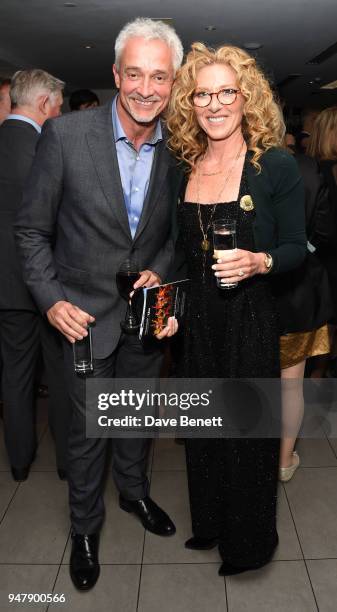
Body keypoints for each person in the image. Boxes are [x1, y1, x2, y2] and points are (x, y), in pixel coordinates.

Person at [15, 17, 183, 591]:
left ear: (173, 83)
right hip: (82, 322)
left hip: (144, 320)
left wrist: (161, 268)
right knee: (87, 435)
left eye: (158, 76)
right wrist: (51, 300)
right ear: (116, 74)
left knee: (136, 419)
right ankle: (85, 529)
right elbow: (31, 231)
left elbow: (170, 236)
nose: (145, 88)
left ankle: (135, 493)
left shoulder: (177, 151)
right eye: (133, 73)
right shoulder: (65, 137)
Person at [166, 42, 306, 576]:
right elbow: (183, 251)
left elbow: (297, 245)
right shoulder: (187, 163)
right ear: (191, 103)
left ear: (246, 98)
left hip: (249, 318)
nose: (215, 104)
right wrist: (170, 301)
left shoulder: (273, 164)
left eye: (227, 91)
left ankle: (248, 543)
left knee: (247, 435)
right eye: (203, 93)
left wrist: (259, 261)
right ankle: (212, 523)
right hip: (196, 323)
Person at [0, 69, 69, 482]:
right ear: (45, 105)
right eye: (58, 107)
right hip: (49, 283)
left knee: (15, 373)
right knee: (59, 375)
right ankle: (67, 462)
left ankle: (19, 461)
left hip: (6, 284)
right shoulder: (46, 149)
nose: (58, 114)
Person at [276, 153, 334, 481]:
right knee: (290, 386)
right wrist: (300, 251)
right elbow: (324, 233)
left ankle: (247, 459)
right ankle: (284, 460)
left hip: (247, 291)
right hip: (298, 291)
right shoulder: (309, 168)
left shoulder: (232, 162)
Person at [307, 106, 337, 377]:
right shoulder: (318, 170)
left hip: (318, 256)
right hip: (325, 257)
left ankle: (319, 372)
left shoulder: (308, 167)